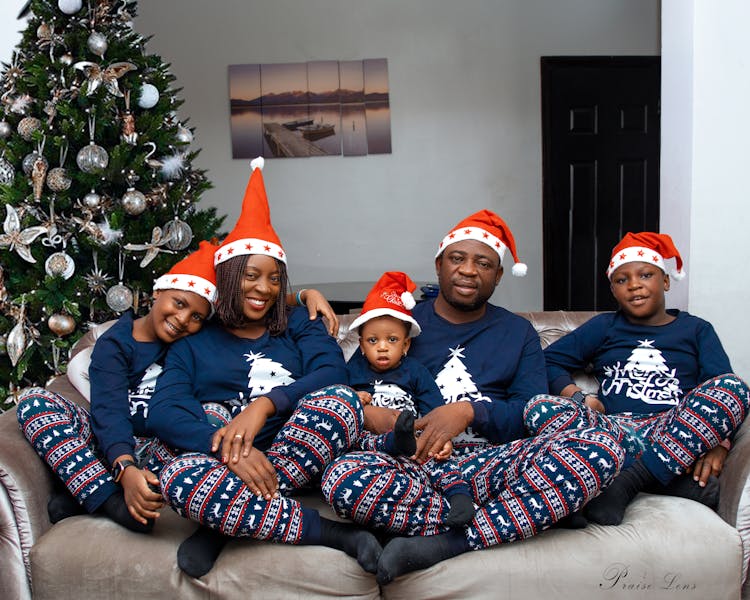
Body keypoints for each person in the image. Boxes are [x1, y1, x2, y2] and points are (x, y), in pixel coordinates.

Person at [322, 209, 625, 584]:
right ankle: (530, 512)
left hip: (494, 463)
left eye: (483, 263)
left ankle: (452, 541)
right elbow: (356, 397)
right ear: (438, 265)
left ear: (498, 275)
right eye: (457, 258)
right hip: (414, 463)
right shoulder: (398, 325)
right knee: (341, 476)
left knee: (602, 448)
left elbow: (530, 414)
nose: (468, 270)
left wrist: (469, 412)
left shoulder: (518, 333)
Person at [146, 157, 381, 579]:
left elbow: (333, 373)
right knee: (179, 473)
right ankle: (328, 533)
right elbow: (165, 409)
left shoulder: (295, 322)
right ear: (230, 276)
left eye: (275, 279)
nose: (264, 289)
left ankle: (222, 522)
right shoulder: (195, 340)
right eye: (252, 275)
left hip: (303, 449)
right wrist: (233, 452)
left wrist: (266, 406)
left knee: (340, 402)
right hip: (227, 459)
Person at [525, 231, 750, 526]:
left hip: (673, 430)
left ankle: (625, 482)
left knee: (734, 387)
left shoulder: (695, 329)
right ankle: (662, 477)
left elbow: (719, 388)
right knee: (537, 408)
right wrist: (579, 398)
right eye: (622, 280)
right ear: (613, 290)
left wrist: (718, 444)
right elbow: (547, 360)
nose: (634, 286)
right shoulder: (605, 326)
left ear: (666, 281)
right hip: (614, 433)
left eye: (645, 275)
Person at [16, 240, 218, 533]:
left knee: (212, 419)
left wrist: (299, 297)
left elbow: (245, 316)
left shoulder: (190, 345)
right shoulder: (116, 343)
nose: (183, 319)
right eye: (179, 303)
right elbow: (109, 412)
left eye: (197, 317)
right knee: (34, 401)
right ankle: (111, 499)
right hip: (108, 444)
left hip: (157, 450)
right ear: (158, 292)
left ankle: (86, 493)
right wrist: (124, 468)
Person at [346, 271, 475, 528]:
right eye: (373, 341)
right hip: (374, 441)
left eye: (391, 340)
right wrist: (354, 399)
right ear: (361, 345)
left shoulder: (415, 371)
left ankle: (460, 497)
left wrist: (442, 438)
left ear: (405, 345)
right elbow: (338, 397)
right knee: (361, 452)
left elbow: (432, 406)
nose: (382, 347)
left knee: (438, 459)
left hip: (413, 437)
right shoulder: (353, 369)